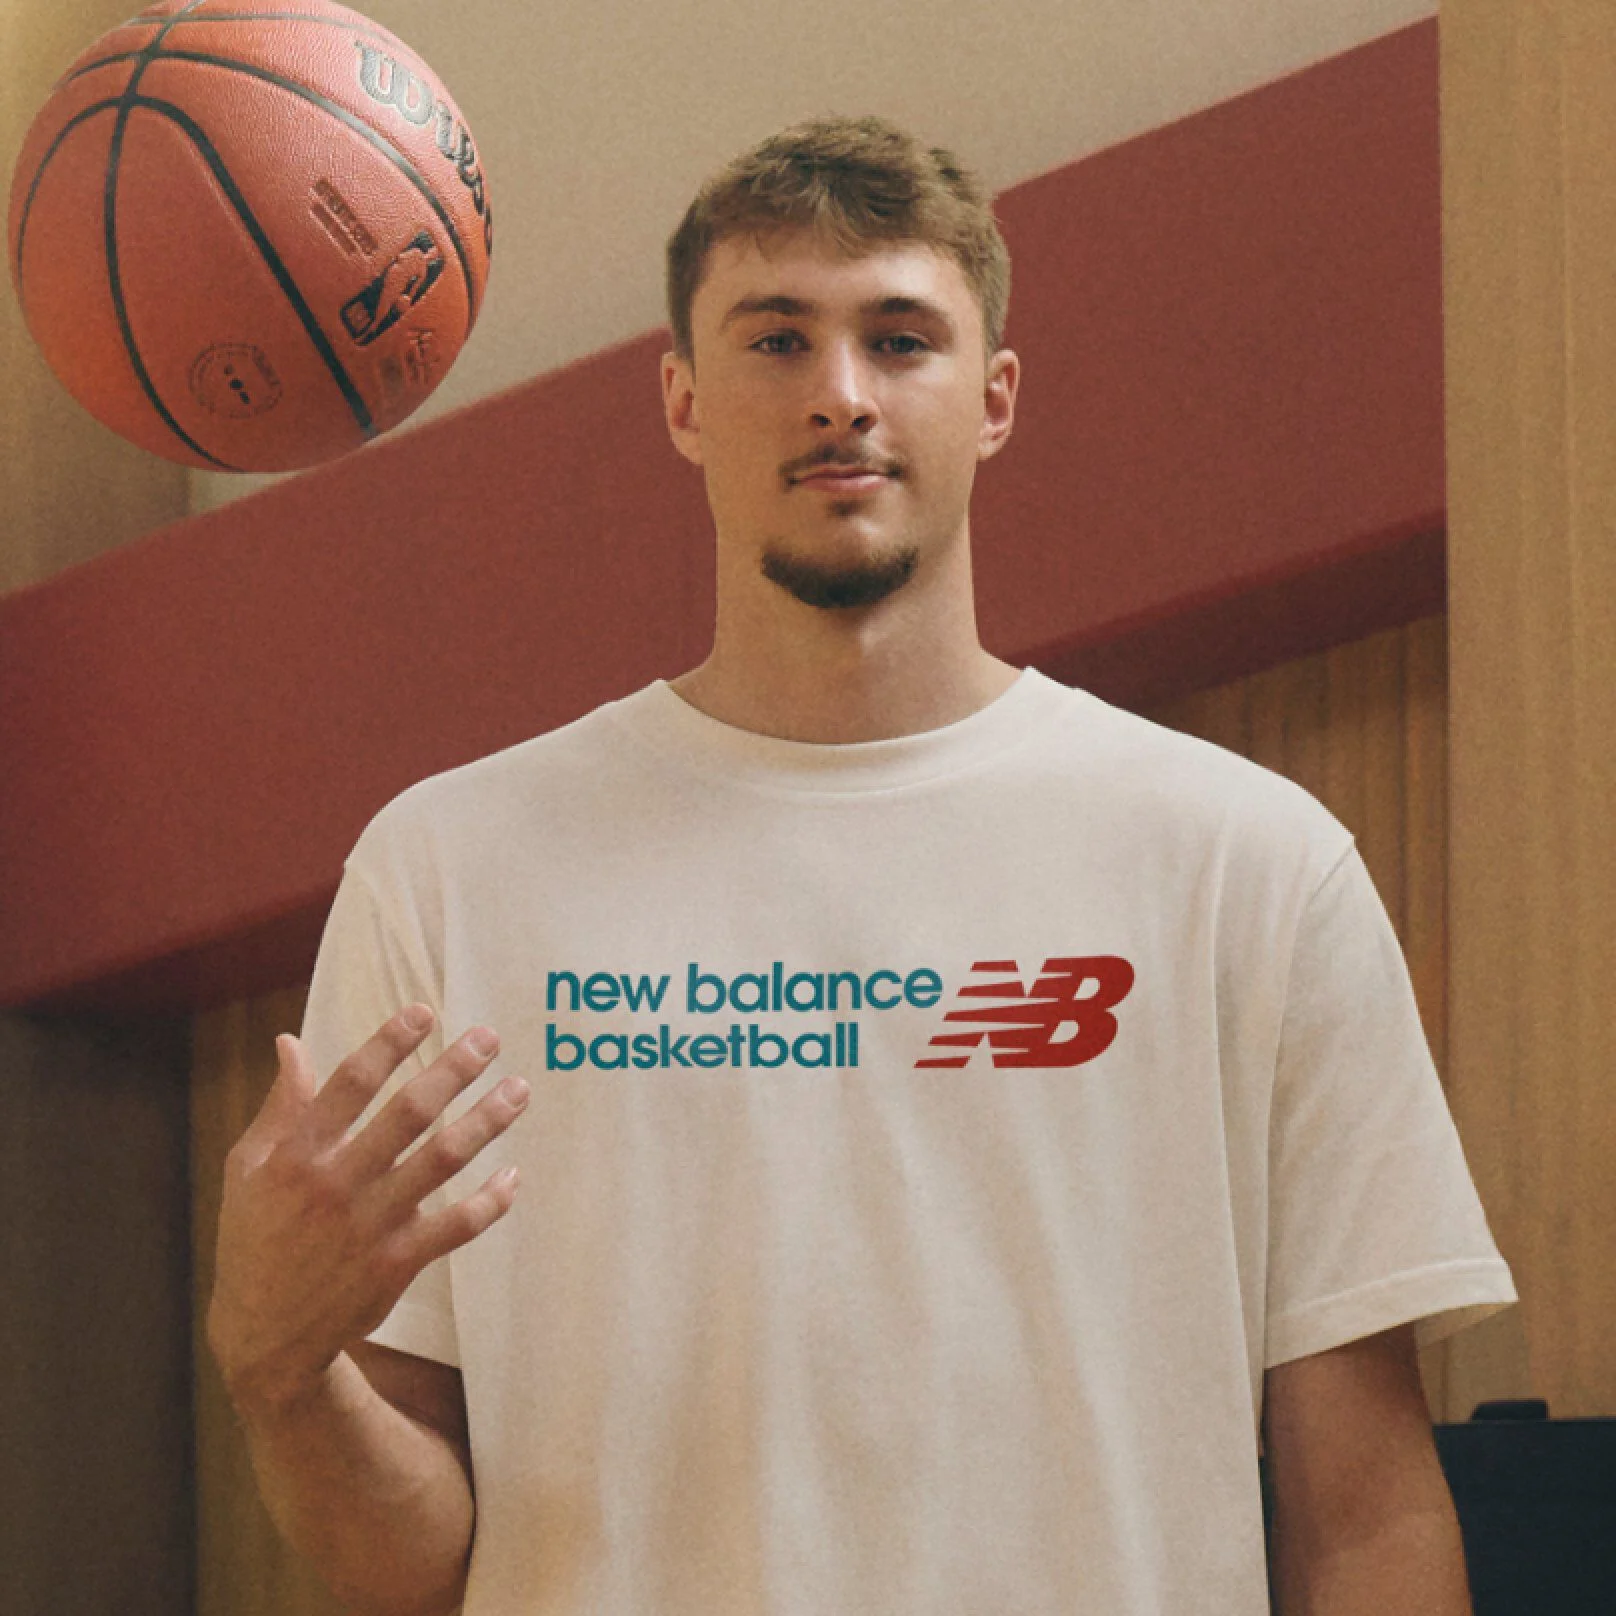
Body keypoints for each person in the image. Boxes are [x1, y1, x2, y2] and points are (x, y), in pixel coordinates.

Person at [206, 114, 1518, 1615]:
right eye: (777, 341)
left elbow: (1368, 1523)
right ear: (683, 401)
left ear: (995, 397)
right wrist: (275, 1370)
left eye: (900, 340)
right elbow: (413, 1569)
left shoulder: (1250, 867)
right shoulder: (449, 870)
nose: (841, 393)